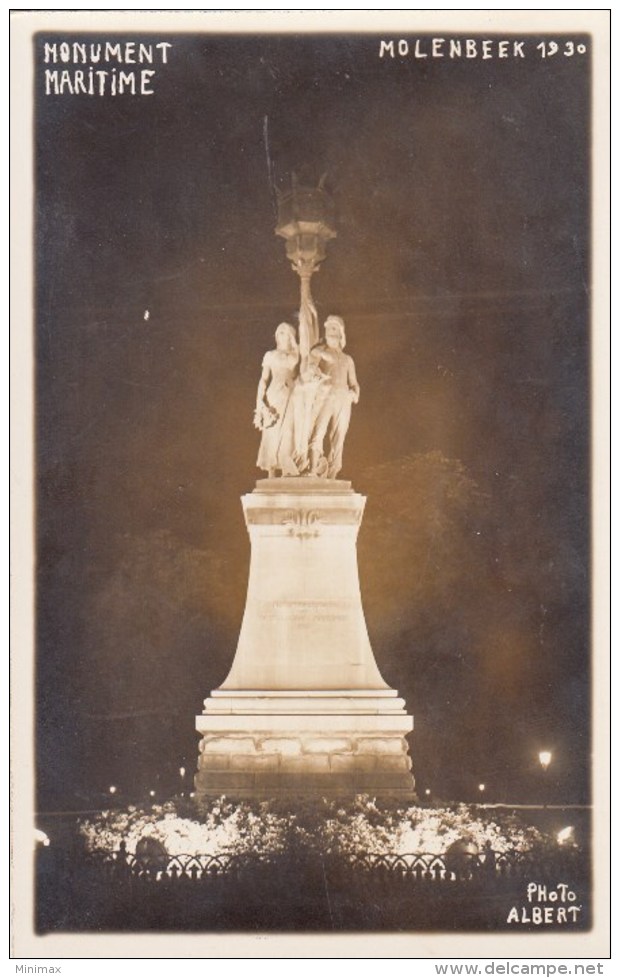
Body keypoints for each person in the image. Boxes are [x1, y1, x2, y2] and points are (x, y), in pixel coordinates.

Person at [307, 315, 360, 479]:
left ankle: (333, 472)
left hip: (343, 398)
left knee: (339, 435)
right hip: (325, 395)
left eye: (335, 327)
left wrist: (354, 393)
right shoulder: (319, 351)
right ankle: (313, 468)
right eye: (329, 327)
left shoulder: (348, 359)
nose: (331, 330)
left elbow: (354, 383)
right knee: (319, 429)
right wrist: (315, 374)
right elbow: (310, 367)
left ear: (341, 332)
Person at [254, 323, 300, 477]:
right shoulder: (270, 355)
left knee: (288, 431)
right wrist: (259, 401)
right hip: (274, 394)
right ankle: (271, 471)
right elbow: (263, 379)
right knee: (271, 431)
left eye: (285, 332)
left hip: (291, 395)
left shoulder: (296, 354)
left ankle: (287, 469)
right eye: (279, 332)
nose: (281, 335)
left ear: (291, 336)